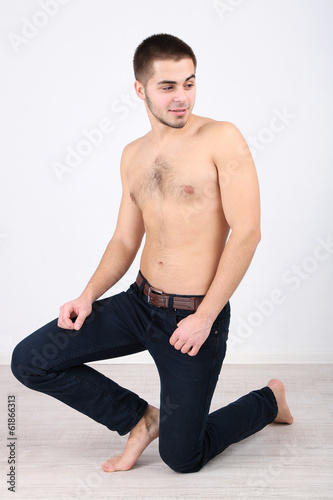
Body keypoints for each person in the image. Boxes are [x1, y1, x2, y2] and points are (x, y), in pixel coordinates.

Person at [11, 33, 293, 474]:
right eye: (168, 87)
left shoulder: (222, 137)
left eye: (190, 83)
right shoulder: (133, 156)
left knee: (182, 458)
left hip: (193, 315)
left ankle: (268, 400)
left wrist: (205, 318)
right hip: (137, 304)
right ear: (140, 89)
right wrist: (87, 296)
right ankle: (140, 419)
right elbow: (125, 240)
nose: (182, 98)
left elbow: (248, 233)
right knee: (30, 361)